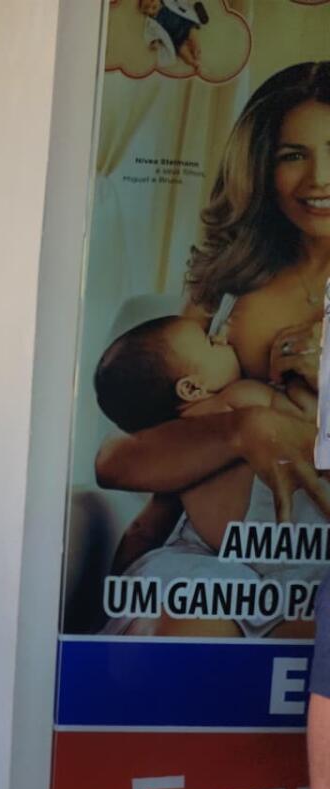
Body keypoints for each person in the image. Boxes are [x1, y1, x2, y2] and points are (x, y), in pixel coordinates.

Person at [94, 62, 330, 638]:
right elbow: (124, 454)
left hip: (316, 552)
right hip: (212, 548)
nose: (318, 178)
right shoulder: (227, 284)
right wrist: (242, 427)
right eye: (292, 155)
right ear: (259, 166)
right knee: (196, 621)